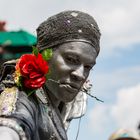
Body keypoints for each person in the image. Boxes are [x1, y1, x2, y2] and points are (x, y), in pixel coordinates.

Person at [0, 10, 101, 140]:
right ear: (44, 56)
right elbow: (11, 126)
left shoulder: (63, 106)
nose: (80, 74)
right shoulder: (23, 99)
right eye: (71, 59)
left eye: (88, 67)